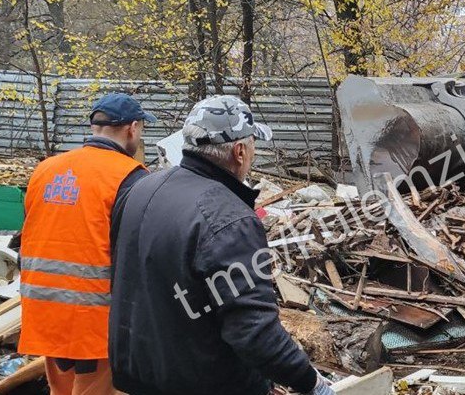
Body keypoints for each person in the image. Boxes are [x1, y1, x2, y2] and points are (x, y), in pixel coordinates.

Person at [108, 95, 333, 395]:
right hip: (203, 381)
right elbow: (254, 332)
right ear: (239, 151)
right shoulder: (228, 219)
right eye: (253, 144)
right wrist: (310, 381)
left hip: (136, 374)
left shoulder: (139, 189)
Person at [18, 93, 155, 395]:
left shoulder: (46, 169)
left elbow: (29, 233)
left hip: (44, 309)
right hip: (94, 319)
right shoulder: (130, 178)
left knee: (61, 390)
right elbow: (136, 254)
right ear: (132, 128)